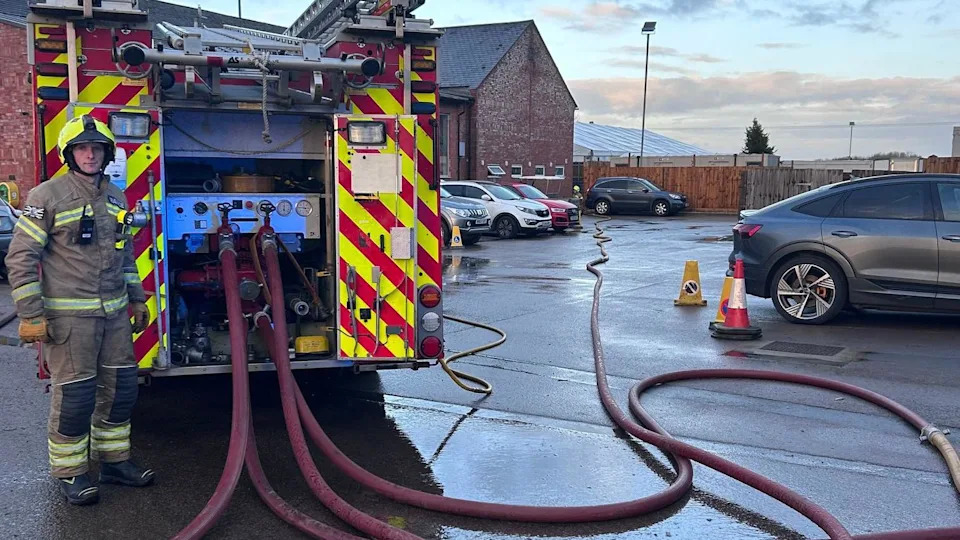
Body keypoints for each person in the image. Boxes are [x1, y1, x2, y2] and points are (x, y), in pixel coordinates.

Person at [5, 115, 156, 505]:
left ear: (107, 154)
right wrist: (31, 313)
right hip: (69, 320)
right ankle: (71, 473)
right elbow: (22, 257)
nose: (90, 154)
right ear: (69, 154)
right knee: (75, 396)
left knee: (121, 391)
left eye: (97, 148)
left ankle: (114, 463)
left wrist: (137, 298)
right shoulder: (46, 196)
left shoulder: (116, 197)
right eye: (82, 148)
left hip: (115, 316)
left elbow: (125, 256)